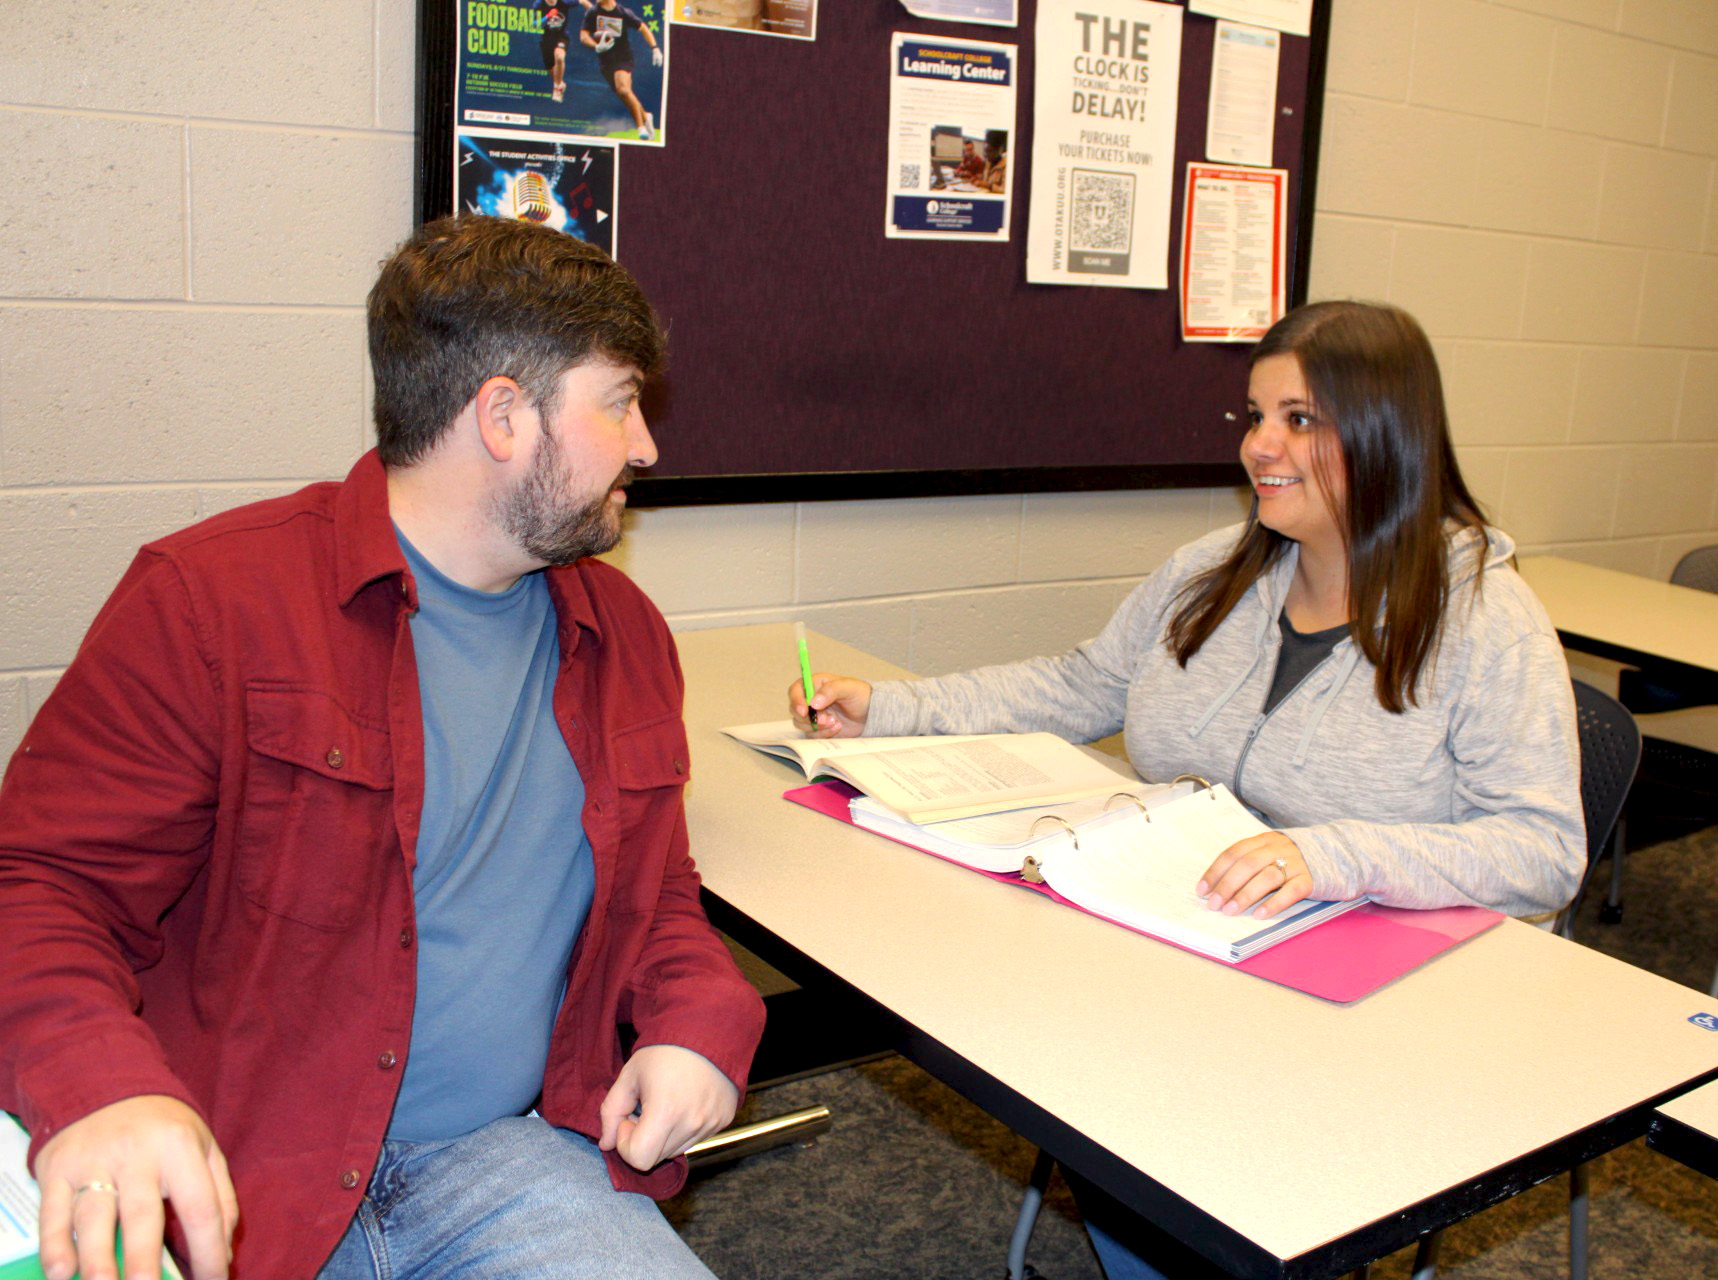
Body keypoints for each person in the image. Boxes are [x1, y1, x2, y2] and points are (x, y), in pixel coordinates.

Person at [0, 215, 766, 1280]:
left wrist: (696, 1020)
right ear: (504, 415)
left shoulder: (622, 634)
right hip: (239, 1158)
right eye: (621, 399)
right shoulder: (212, 602)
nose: (646, 445)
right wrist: (102, 1086)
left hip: (504, 1155)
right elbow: (38, 886)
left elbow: (659, 891)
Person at [789, 300, 1584, 1278]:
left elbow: (1545, 847)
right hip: (1194, 937)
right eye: (1253, 416)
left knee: (1154, 1115)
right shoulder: (1210, 572)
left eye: (1299, 419)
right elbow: (1080, 683)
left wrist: (1332, 852)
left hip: (1373, 992)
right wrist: (891, 710)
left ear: (1384, 432)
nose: (1260, 446)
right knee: (1053, 1040)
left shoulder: (1485, 617)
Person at [581, 0, 663, 140]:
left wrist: (655, 48)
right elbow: (583, 36)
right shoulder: (593, 12)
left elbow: (643, 28)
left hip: (623, 58)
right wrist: (596, 46)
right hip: (606, 62)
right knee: (625, 94)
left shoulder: (623, 13)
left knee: (623, 89)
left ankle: (640, 128)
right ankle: (645, 115)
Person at [530, 0, 581, 101]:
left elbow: (581, 2)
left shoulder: (565, 2)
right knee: (551, 68)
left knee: (559, 57)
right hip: (546, 39)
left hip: (561, 37)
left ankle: (557, 88)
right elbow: (534, 24)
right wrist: (547, 17)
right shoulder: (539, 4)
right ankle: (560, 84)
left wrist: (591, 8)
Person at [982, 131, 1007, 195]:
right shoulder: (988, 162)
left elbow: (1005, 190)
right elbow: (985, 180)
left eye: (989, 151)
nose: (986, 155)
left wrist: (989, 186)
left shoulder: (1006, 166)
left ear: (1000, 150)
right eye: (985, 151)